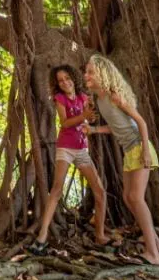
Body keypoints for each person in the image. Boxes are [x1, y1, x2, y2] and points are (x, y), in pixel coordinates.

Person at [83, 54, 159, 265]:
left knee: (136, 198)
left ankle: (153, 254)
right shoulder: (101, 101)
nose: (86, 75)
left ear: (102, 74)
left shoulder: (114, 96)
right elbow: (116, 126)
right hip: (129, 151)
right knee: (128, 197)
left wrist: (146, 152)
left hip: (140, 147)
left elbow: (140, 121)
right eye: (86, 72)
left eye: (90, 72)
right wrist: (93, 130)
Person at [29, 65, 109, 255]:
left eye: (67, 78)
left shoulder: (83, 98)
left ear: (73, 78)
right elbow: (65, 123)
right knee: (56, 190)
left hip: (82, 150)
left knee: (99, 191)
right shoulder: (60, 99)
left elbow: (86, 121)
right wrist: (83, 116)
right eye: (60, 80)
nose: (65, 82)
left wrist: (89, 115)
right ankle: (41, 237)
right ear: (57, 84)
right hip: (65, 148)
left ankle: (100, 235)